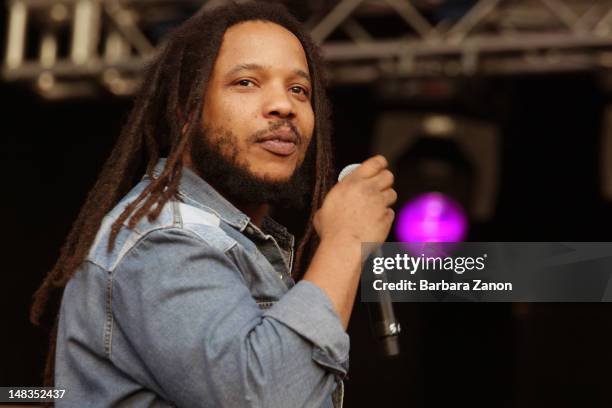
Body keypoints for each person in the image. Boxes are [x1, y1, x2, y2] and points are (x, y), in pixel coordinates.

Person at [30, 2, 396, 407]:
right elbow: (267, 397)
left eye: (299, 90)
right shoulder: (162, 242)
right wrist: (346, 241)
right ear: (186, 112)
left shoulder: (233, 242)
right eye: (246, 82)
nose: (284, 105)